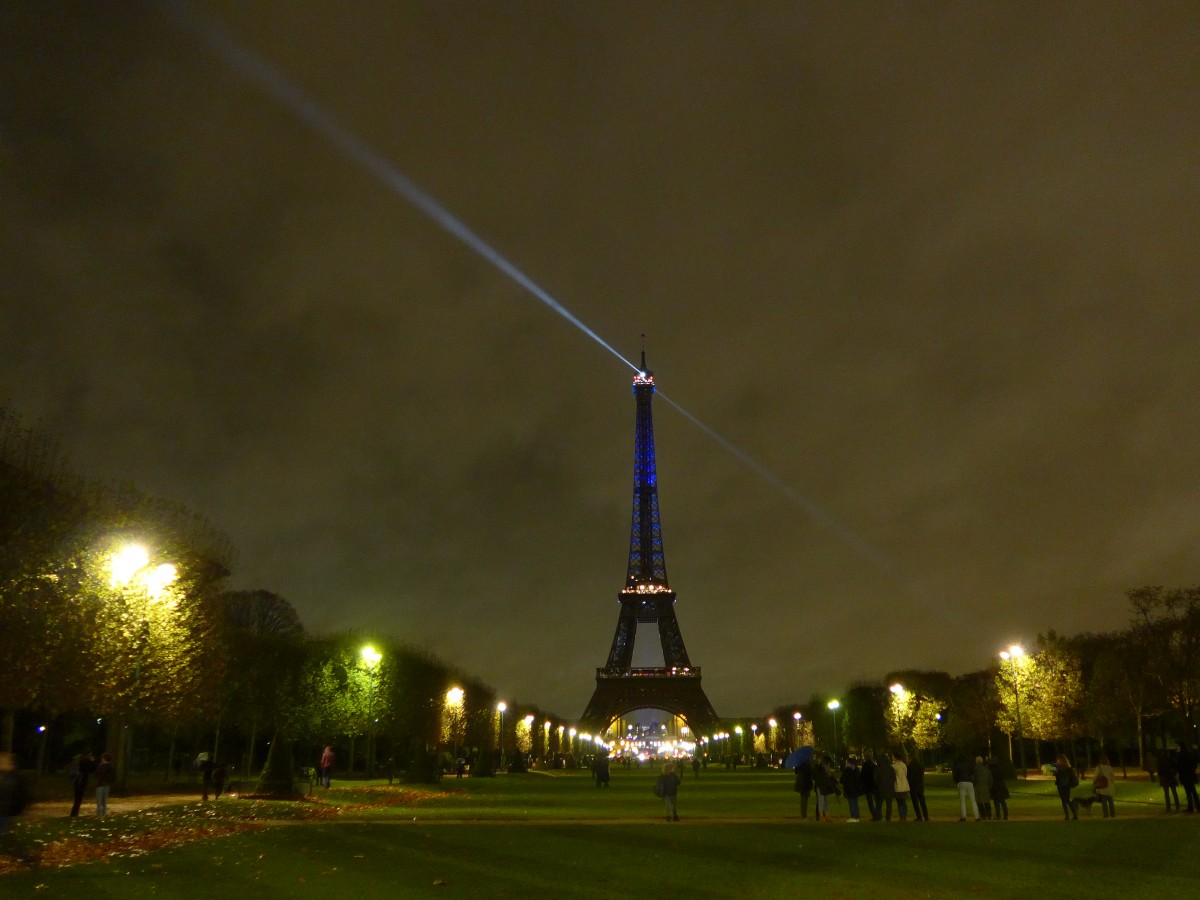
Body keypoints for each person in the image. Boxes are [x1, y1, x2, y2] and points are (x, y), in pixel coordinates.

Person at [0, 751, 35, 867]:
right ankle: (22, 856)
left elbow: (24, 795)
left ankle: (23, 856)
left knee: (7, 835)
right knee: (7, 835)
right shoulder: (6, 776)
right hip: (4, 811)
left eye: (3, 761)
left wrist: (19, 810)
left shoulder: (16, 777)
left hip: (7, 812)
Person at [69, 749, 96, 817]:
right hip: (81, 781)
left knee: (77, 799)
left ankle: (74, 813)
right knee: (78, 799)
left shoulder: (78, 761)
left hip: (77, 781)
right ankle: (74, 814)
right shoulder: (84, 762)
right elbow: (91, 769)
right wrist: (93, 762)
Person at [953, 755, 980, 821]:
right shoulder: (970, 764)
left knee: (962, 801)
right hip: (969, 782)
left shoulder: (958, 765)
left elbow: (955, 774)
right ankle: (977, 816)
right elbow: (974, 773)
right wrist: (975, 782)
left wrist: (956, 781)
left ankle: (963, 816)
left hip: (961, 782)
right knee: (973, 800)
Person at [814, 755, 839, 822]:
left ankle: (826, 816)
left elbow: (831, 777)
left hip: (826, 787)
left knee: (826, 801)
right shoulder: (819, 768)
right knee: (821, 801)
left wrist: (836, 782)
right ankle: (821, 816)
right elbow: (818, 776)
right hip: (821, 787)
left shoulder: (826, 768)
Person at [1053, 754, 1079, 820]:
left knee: (1064, 800)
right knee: (1066, 800)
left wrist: (1056, 773)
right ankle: (1073, 813)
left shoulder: (1064, 768)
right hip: (1063, 785)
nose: (1057, 761)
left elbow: (1061, 776)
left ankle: (1068, 815)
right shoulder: (1064, 768)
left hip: (1064, 786)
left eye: (1058, 760)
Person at [873, 752, 896, 822]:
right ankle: (888, 817)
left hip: (880, 788)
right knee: (889, 804)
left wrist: (878, 784)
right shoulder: (891, 768)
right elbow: (894, 778)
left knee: (879, 804)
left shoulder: (878, 769)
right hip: (889, 788)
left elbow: (875, 779)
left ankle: (878, 817)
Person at [1093, 753, 1116, 818]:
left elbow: (1095, 777)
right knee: (1111, 801)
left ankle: (1106, 815)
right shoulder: (1110, 768)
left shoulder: (1099, 768)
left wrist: (1094, 783)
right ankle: (1113, 814)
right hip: (1110, 786)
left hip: (1103, 786)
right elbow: (1113, 778)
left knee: (1104, 801)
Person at [1177, 743, 1199, 813]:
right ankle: (1197, 806)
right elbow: (1194, 765)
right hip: (1190, 775)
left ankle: (1191, 807)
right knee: (1193, 791)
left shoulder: (1181, 756)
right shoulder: (1191, 755)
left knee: (1188, 791)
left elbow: (1179, 766)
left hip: (1185, 775)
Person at [840, 756, 863, 823]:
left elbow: (842, 780)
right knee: (855, 802)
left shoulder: (847, 770)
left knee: (851, 802)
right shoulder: (857, 770)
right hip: (856, 788)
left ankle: (853, 817)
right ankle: (857, 815)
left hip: (849, 788)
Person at [907, 756, 928, 821]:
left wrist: (909, 784)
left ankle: (919, 816)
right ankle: (926, 816)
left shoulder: (910, 766)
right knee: (922, 802)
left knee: (915, 802)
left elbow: (909, 776)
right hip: (920, 786)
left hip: (913, 786)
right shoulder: (920, 766)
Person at [859, 755, 879, 821]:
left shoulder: (864, 767)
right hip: (874, 786)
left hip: (868, 786)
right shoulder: (874, 766)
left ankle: (874, 815)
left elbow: (862, 776)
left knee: (870, 802)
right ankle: (877, 814)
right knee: (877, 801)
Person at [95, 753, 114, 818]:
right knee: (104, 800)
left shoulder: (101, 766)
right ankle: (103, 814)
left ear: (104, 758)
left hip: (100, 785)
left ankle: (99, 815)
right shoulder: (110, 766)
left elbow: (98, 775)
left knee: (99, 801)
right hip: (107, 784)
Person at [892, 752, 910, 822]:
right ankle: (904, 816)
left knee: (899, 803)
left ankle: (901, 816)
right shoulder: (904, 765)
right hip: (905, 786)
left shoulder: (894, 766)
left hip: (898, 787)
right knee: (903, 802)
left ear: (895, 757)